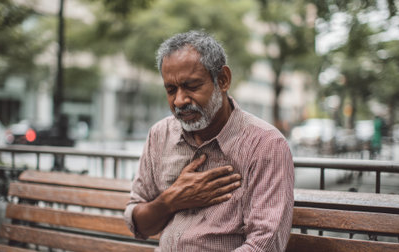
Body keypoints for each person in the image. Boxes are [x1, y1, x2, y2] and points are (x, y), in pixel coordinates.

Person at [124, 30, 294, 251]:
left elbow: (264, 245)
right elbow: (139, 224)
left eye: (192, 86)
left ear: (222, 80)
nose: (179, 100)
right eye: (170, 89)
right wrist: (171, 200)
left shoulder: (266, 145)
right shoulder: (160, 134)